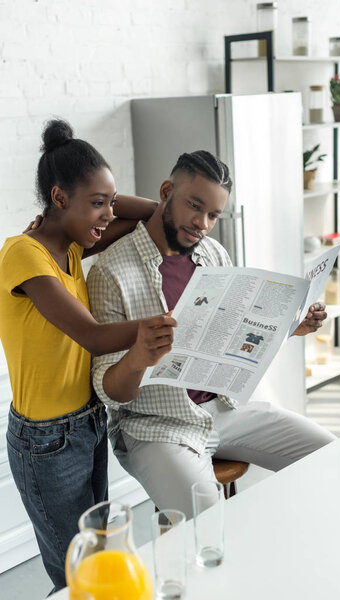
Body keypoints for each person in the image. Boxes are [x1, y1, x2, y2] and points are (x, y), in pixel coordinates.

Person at [87, 150, 336, 519]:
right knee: (210, 525)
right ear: (167, 191)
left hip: (227, 410)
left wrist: (290, 328)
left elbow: (236, 343)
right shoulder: (110, 272)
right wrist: (139, 357)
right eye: (195, 206)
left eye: (214, 215)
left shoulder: (214, 255)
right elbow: (110, 393)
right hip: (158, 426)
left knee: (332, 455)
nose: (202, 223)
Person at [0, 119, 175, 594]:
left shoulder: (74, 247)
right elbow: (94, 336)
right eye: (97, 204)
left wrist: (104, 199)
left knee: (96, 554)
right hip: (46, 443)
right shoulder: (23, 253)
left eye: (108, 203)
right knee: (75, 575)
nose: (106, 214)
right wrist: (170, 323)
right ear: (59, 198)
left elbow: (150, 213)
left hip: (87, 422)